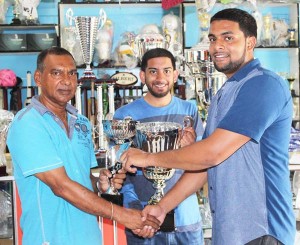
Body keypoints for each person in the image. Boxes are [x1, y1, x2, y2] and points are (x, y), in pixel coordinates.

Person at [121, 8, 296, 245]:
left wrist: (147, 158)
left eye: (228, 37)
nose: (217, 46)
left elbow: (211, 154)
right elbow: (205, 167)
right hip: (230, 232)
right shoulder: (225, 93)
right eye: (213, 39)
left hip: (262, 230)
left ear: (250, 42)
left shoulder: (263, 85)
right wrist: (163, 207)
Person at [6, 47, 159, 245]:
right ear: (38, 78)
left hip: (89, 238)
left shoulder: (81, 122)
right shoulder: (27, 124)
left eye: (72, 73)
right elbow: (61, 186)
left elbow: (84, 180)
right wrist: (122, 215)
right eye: (56, 73)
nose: (67, 80)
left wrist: (102, 184)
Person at [114, 48, 205, 244]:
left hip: (185, 220)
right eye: (153, 71)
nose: (160, 77)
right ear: (142, 75)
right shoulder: (125, 116)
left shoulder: (189, 110)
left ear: (175, 75)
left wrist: (191, 149)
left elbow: (203, 163)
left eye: (166, 70)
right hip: (143, 220)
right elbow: (121, 170)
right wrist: (134, 208)